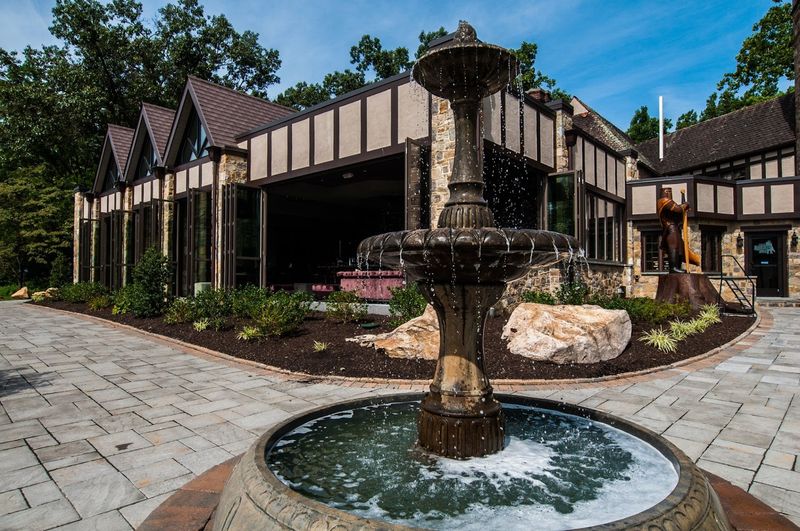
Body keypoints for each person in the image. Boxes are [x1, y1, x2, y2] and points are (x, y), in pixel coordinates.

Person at [657, 187, 700, 272]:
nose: (670, 193)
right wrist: (685, 205)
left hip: (675, 227)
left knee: (680, 248)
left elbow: (678, 213)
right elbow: (678, 209)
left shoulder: (667, 203)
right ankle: (673, 268)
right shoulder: (663, 201)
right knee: (674, 246)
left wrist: (684, 208)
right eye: (668, 191)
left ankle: (678, 266)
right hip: (670, 228)